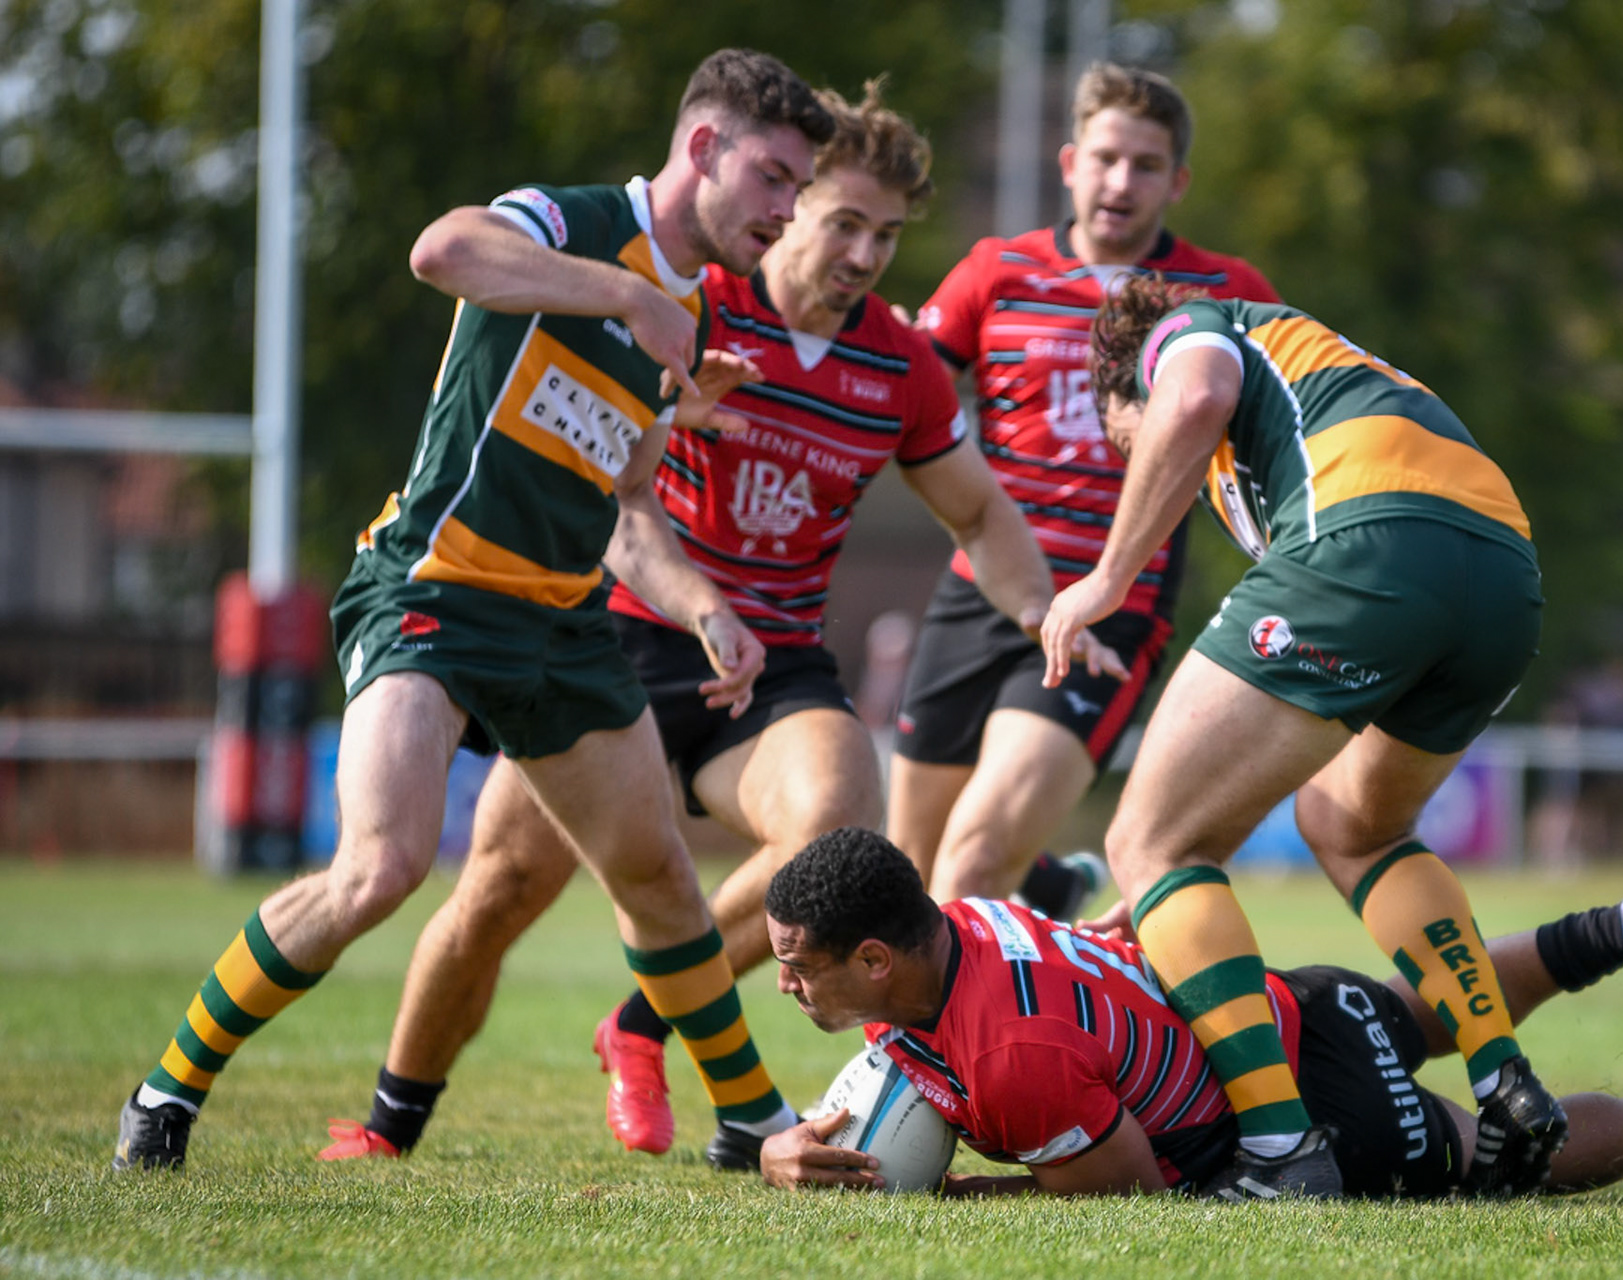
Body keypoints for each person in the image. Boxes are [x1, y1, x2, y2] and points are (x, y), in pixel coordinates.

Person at [310, 82, 1122, 1169]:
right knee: (498, 889)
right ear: (785, 207)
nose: (867, 253)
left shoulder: (901, 368)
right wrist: (701, 601)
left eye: (888, 233)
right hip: (621, 640)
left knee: (840, 826)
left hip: (774, 665)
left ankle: (639, 1022)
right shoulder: (691, 301)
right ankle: (387, 1123)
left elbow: (979, 509)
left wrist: (1044, 609)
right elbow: (618, 502)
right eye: (843, 220)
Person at [110, 48, 835, 1172]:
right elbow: (441, 250)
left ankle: (750, 1121)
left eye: (800, 189)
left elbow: (628, 501)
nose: (789, 212)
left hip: (561, 622)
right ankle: (166, 1093)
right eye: (777, 178)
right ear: (705, 149)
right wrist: (628, 292)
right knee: (381, 867)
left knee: (656, 875)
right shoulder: (573, 221)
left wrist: (704, 607)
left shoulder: (684, 316)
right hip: (435, 587)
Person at [1034, 275, 1576, 1199]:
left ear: (1127, 389)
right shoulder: (1322, 378)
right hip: (1503, 577)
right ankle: (1501, 1076)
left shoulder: (1187, 330)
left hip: (1371, 542)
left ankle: (1283, 1151)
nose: (1147, 461)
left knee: (1141, 839)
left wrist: (1107, 578)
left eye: (1129, 440)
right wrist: (1176, 881)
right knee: (1353, 824)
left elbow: (1196, 395)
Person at [757, 827, 1623, 1199]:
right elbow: (908, 1049)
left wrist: (948, 1197)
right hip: (1274, 1005)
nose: (785, 983)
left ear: (879, 956)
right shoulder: (963, 922)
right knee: (1432, 1005)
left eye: (797, 964)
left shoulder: (1011, 1054)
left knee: (1505, 1154)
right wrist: (779, 1150)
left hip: (1308, 1110)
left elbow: (1120, 1193)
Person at [887, 63, 1280, 911]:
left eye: (1145, 165)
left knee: (973, 859)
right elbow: (899, 395)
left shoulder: (1227, 293)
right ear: (1069, 164)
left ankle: (951, 1038)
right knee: (907, 875)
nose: (1120, 181)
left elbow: (1287, 435)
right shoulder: (995, 273)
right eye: (1105, 158)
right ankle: (1045, 889)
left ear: (1176, 181)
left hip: (1111, 609)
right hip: (980, 595)